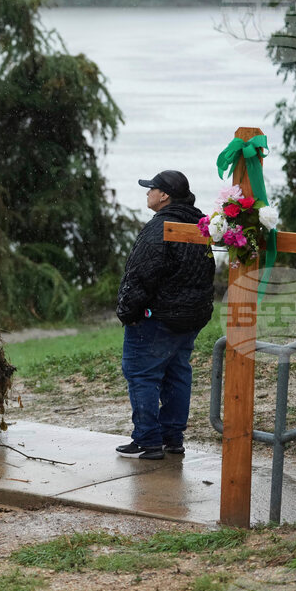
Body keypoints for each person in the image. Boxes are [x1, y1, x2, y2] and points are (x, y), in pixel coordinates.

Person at [115, 170, 215, 460]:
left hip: (156, 318)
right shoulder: (199, 225)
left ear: (164, 196)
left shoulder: (160, 227)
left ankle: (147, 440)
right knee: (177, 374)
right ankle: (172, 438)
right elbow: (206, 272)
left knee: (142, 374)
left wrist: (127, 311)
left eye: (151, 189)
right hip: (190, 318)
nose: (147, 193)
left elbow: (140, 274)